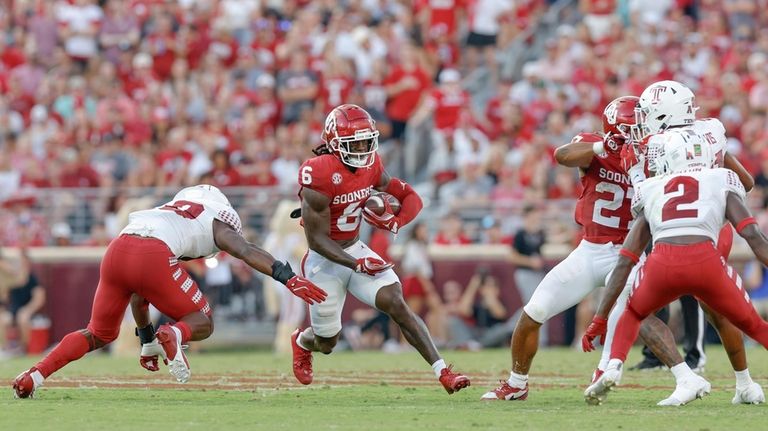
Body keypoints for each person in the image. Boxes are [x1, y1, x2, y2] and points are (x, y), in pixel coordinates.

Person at [12, 185, 327, 399]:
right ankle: (176, 335)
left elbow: (139, 293)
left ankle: (33, 376)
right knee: (202, 320)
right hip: (153, 254)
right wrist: (286, 277)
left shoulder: (166, 211)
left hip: (117, 250)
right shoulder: (217, 219)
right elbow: (244, 250)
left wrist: (147, 341)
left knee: (97, 333)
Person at [585, 80, 763, 406]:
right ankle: (739, 382)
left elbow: (645, 196)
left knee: (650, 307)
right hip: (702, 224)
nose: (640, 123)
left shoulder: (653, 146)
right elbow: (746, 183)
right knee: (720, 311)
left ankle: (691, 374)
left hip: (684, 229)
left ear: (664, 115)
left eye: (647, 114)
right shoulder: (708, 134)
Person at [291, 104, 470, 394]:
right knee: (327, 342)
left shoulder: (371, 163)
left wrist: (396, 222)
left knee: (396, 303)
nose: (363, 148)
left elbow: (409, 195)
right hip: (324, 260)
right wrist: (356, 264)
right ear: (334, 143)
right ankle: (301, 341)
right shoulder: (319, 172)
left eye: (366, 141)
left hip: (354, 248)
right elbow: (317, 241)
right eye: (355, 143)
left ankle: (443, 372)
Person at [481, 96, 640, 401]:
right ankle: (517, 383)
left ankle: (604, 371)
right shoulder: (595, 146)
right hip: (590, 249)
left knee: (625, 308)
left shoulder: (651, 155)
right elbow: (562, 155)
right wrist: (600, 148)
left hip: (629, 253)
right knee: (535, 310)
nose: (639, 133)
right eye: (632, 128)